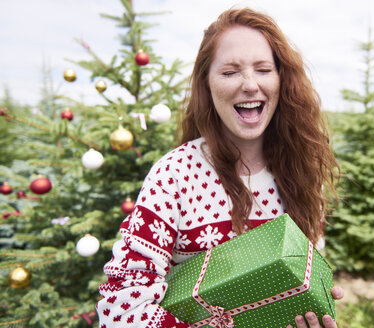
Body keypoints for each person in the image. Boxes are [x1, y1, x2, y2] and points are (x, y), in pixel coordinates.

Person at [97, 7, 343, 328]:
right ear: (207, 85)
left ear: (282, 80)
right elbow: (121, 310)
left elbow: (301, 276)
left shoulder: (301, 171)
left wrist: (314, 305)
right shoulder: (175, 175)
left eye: (264, 69)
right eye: (230, 72)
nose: (251, 85)